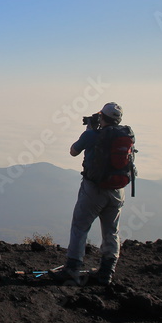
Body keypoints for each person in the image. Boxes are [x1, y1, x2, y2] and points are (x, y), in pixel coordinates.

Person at [55, 102, 128, 285]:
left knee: (80, 227)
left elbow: (73, 151)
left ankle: (72, 269)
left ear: (102, 116)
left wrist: (89, 130)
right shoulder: (125, 135)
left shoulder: (91, 135)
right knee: (111, 231)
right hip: (118, 191)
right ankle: (106, 273)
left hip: (94, 190)